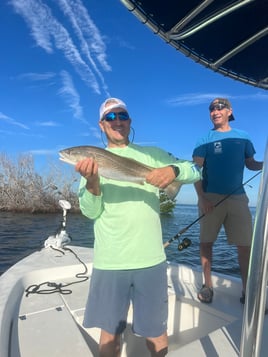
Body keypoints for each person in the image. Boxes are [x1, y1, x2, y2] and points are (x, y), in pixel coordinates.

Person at [75, 97, 201, 357]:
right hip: (110, 261)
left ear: (130, 121)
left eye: (122, 115)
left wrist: (173, 172)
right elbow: (90, 212)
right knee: (109, 334)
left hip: (150, 259)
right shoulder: (90, 164)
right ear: (101, 125)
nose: (117, 121)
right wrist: (92, 183)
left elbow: (195, 170)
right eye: (110, 117)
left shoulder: (152, 154)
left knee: (156, 333)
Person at [192, 98, 263, 304]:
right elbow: (194, 171)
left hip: (238, 198)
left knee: (245, 245)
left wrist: (264, 164)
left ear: (229, 111)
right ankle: (207, 286)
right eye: (212, 108)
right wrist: (202, 198)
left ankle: (247, 290)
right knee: (206, 243)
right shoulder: (204, 139)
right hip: (210, 197)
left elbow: (251, 164)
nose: (215, 111)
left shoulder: (244, 137)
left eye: (220, 107)